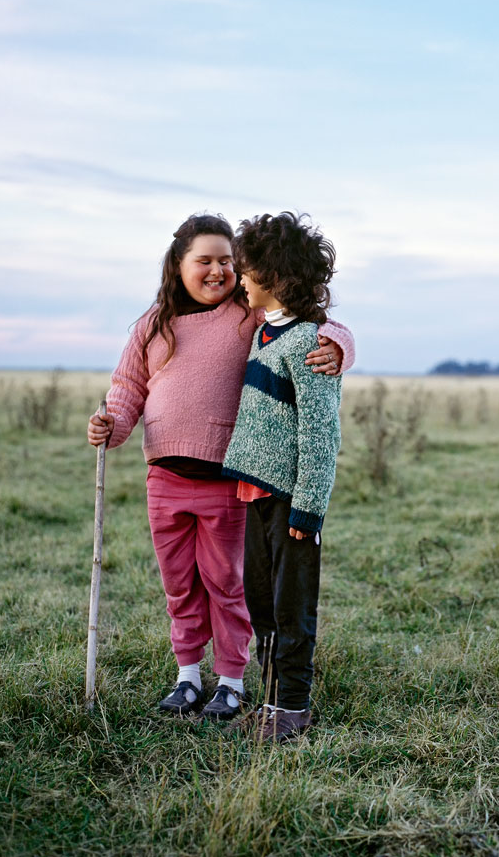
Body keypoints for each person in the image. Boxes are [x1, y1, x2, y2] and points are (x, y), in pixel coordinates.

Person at [86, 213, 354, 721]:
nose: (218, 271)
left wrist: (340, 346)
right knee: (179, 583)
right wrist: (110, 425)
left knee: (227, 583)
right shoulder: (154, 322)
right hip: (163, 478)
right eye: (204, 260)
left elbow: (308, 321)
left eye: (228, 262)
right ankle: (188, 675)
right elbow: (127, 390)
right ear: (178, 264)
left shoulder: (245, 312)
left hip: (227, 481)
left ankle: (231, 681)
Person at [221, 211, 342, 742]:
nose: (239, 278)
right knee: (260, 602)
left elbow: (320, 434)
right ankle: (269, 702)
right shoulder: (265, 331)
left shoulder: (311, 345)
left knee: (292, 608)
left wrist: (309, 507)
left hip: (291, 500)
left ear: (272, 274)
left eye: (246, 270)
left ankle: (292, 709)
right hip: (256, 493)